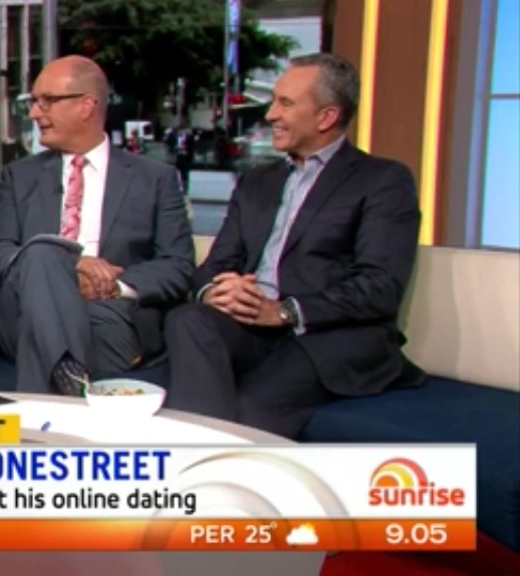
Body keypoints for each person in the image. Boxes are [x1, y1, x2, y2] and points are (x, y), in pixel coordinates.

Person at [164, 53, 425, 439]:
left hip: (328, 335)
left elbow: (380, 286)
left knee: (251, 406)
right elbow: (217, 263)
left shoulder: (383, 181)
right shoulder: (257, 182)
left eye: (285, 103)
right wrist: (217, 292)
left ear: (326, 117)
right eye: (274, 101)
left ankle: (213, 464)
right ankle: (205, 462)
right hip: (252, 326)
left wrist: (284, 311)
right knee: (188, 319)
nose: (270, 114)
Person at [0, 56, 195, 394]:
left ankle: (65, 378)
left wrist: (112, 286)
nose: (34, 113)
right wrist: (67, 266)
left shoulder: (155, 179)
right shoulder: (19, 176)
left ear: (86, 105)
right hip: (19, 310)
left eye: (46, 101)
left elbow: (177, 266)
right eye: (33, 102)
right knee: (44, 253)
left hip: (109, 314)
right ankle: (68, 377)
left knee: (45, 329)